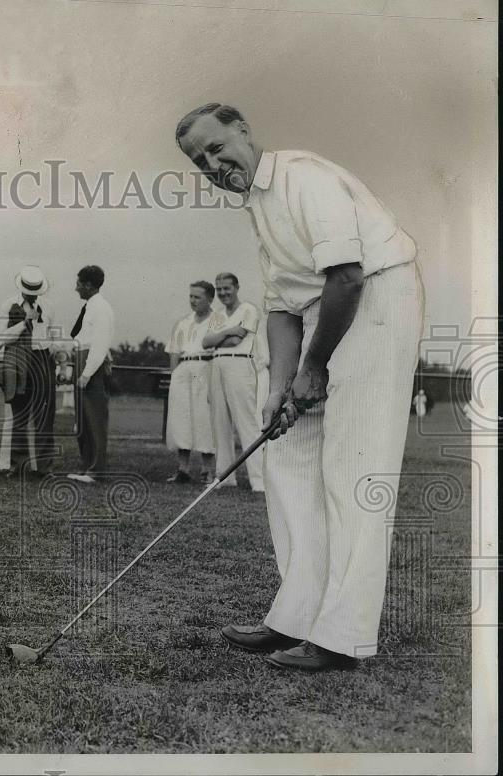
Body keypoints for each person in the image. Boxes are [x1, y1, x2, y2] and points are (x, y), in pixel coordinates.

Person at [177, 102, 425, 671]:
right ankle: (295, 615)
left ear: (243, 128)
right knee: (286, 454)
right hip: (322, 312)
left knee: (354, 467)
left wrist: (314, 370)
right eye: (199, 162)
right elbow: (283, 306)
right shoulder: (257, 206)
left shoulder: (304, 178)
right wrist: (278, 387)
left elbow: (347, 276)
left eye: (216, 148)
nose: (212, 165)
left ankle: (342, 637)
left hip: (375, 301)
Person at [0, 266, 60, 478]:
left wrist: (59, 358)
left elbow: (55, 335)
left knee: (44, 415)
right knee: (19, 414)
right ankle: (17, 465)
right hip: (18, 357)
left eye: (36, 292)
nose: (32, 295)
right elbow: (2, 337)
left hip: (42, 357)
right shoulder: (8, 305)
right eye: (29, 291)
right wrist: (25, 322)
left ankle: (43, 467)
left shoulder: (48, 307)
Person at [202, 272, 265, 492]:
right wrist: (227, 331)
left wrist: (218, 339)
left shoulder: (249, 309)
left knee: (246, 421)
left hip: (240, 364)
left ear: (236, 287)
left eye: (226, 288)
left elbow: (237, 341)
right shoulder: (218, 315)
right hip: (217, 364)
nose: (222, 293)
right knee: (219, 421)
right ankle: (225, 476)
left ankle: (259, 479)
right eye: (219, 289)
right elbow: (205, 341)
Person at [67, 265, 115, 485]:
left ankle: (96, 469)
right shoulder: (89, 307)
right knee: (83, 419)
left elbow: (100, 344)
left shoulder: (101, 308)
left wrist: (87, 373)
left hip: (90, 364)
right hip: (81, 357)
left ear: (87, 285)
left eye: (78, 284)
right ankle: (87, 466)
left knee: (94, 418)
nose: (76, 288)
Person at [164, 282, 216, 484]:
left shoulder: (218, 321)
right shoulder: (183, 323)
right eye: (191, 297)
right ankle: (183, 469)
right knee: (181, 418)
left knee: (205, 419)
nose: (193, 301)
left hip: (206, 368)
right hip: (183, 370)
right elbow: (174, 351)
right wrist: (174, 374)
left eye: (198, 297)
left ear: (210, 299)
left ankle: (207, 470)